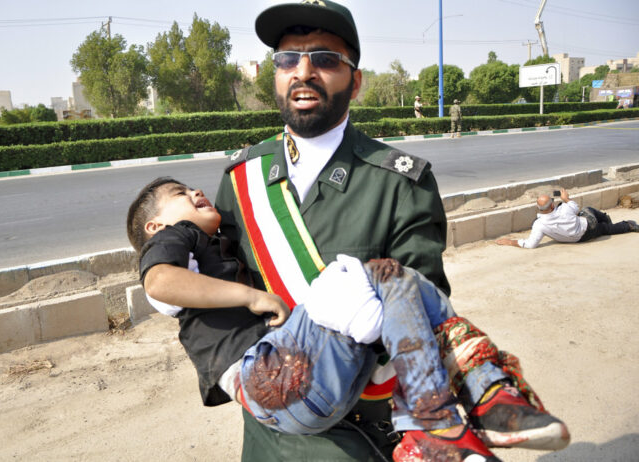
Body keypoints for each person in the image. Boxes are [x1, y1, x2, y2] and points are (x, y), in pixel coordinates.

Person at [140, 1, 567, 460]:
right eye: (288, 58)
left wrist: (353, 314)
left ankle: (458, 412)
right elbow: (209, 284)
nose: (303, 71)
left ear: (355, 81)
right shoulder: (240, 179)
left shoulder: (401, 182)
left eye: (325, 59)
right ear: (275, 75)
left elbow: (425, 314)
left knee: (396, 285)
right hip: (271, 430)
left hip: (359, 433)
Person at [130, 177, 568, 462]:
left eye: (191, 187)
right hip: (268, 379)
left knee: (398, 280)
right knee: (364, 273)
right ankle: (470, 396)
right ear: (155, 227)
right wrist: (251, 296)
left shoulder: (215, 243)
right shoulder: (176, 239)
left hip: (308, 398)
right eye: (179, 195)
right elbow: (160, 283)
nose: (195, 192)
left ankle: (443, 418)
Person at [495, 188, 639, 249]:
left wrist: (510, 241)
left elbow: (531, 244)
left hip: (577, 239)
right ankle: (613, 221)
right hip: (588, 227)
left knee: (602, 229)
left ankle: (624, 225)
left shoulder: (539, 224)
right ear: (552, 206)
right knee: (588, 210)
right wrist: (566, 198)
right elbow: (575, 207)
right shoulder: (565, 208)